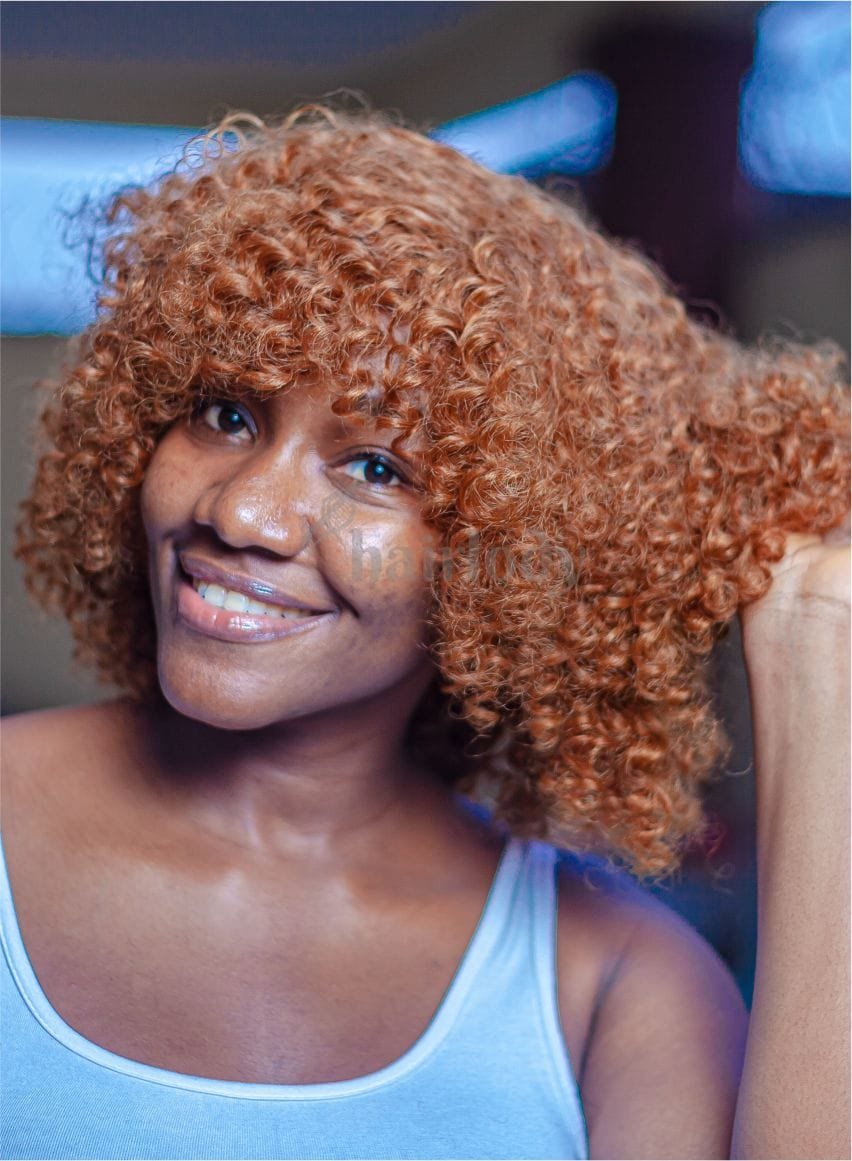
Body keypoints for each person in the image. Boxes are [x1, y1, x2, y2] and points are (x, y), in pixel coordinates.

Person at [1, 105, 848, 1161]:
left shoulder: (612, 988)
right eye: (226, 414)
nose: (242, 513)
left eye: (376, 467)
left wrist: (819, 639)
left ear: (510, 553)